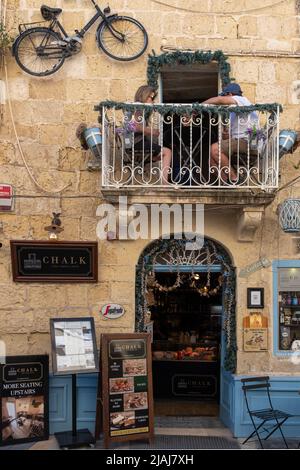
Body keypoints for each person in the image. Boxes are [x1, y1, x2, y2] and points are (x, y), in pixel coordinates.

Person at [202, 83, 259, 183]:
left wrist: (199, 106)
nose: (223, 98)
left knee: (215, 149)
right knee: (211, 161)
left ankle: (234, 178)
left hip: (249, 142)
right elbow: (232, 137)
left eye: (224, 96)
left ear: (230, 94)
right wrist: (226, 135)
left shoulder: (241, 100)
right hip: (239, 142)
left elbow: (219, 100)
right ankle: (227, 182)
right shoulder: (234, 111)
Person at [133, 85, 172, 185]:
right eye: (151, 97)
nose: (152, 101)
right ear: (144, 96)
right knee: (167, 152)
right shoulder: (138, 109)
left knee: (161, 154)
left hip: (137, 142)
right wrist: (152, 132)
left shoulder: (139, 109)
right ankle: (165, 182)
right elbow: (136, 127)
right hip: (137, 143)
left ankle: (150, 160)